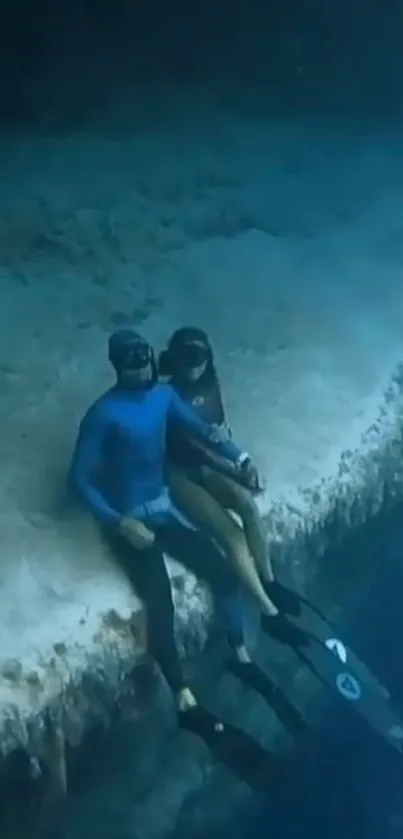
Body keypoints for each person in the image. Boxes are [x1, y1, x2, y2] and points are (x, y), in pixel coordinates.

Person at [69, 329, 260, 714]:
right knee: (161, 603)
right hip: (128, 521)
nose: (141, 369)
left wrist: (241, 459)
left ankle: (240, 652)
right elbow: (78, 479)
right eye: (131, 362)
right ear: (118, 366)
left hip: (162, 507)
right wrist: (115, 521)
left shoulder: (163, 397)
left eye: (144, 359)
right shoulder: (103, 413)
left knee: (223, 573)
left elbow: (203, 430)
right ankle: (180, 691)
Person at [158, 327, 279, 618]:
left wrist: (244, 465)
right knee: (231, 535)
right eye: (187, 360)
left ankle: (270, 582)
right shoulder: (167, 395)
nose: (195, 366)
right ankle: (268, 610)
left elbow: (220, 430)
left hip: (207, 463)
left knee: (248, 506)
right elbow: (199, 445)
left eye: (201, 359)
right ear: (174, 361)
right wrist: (237, 470)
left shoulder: (210, 383)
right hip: (179, 472)